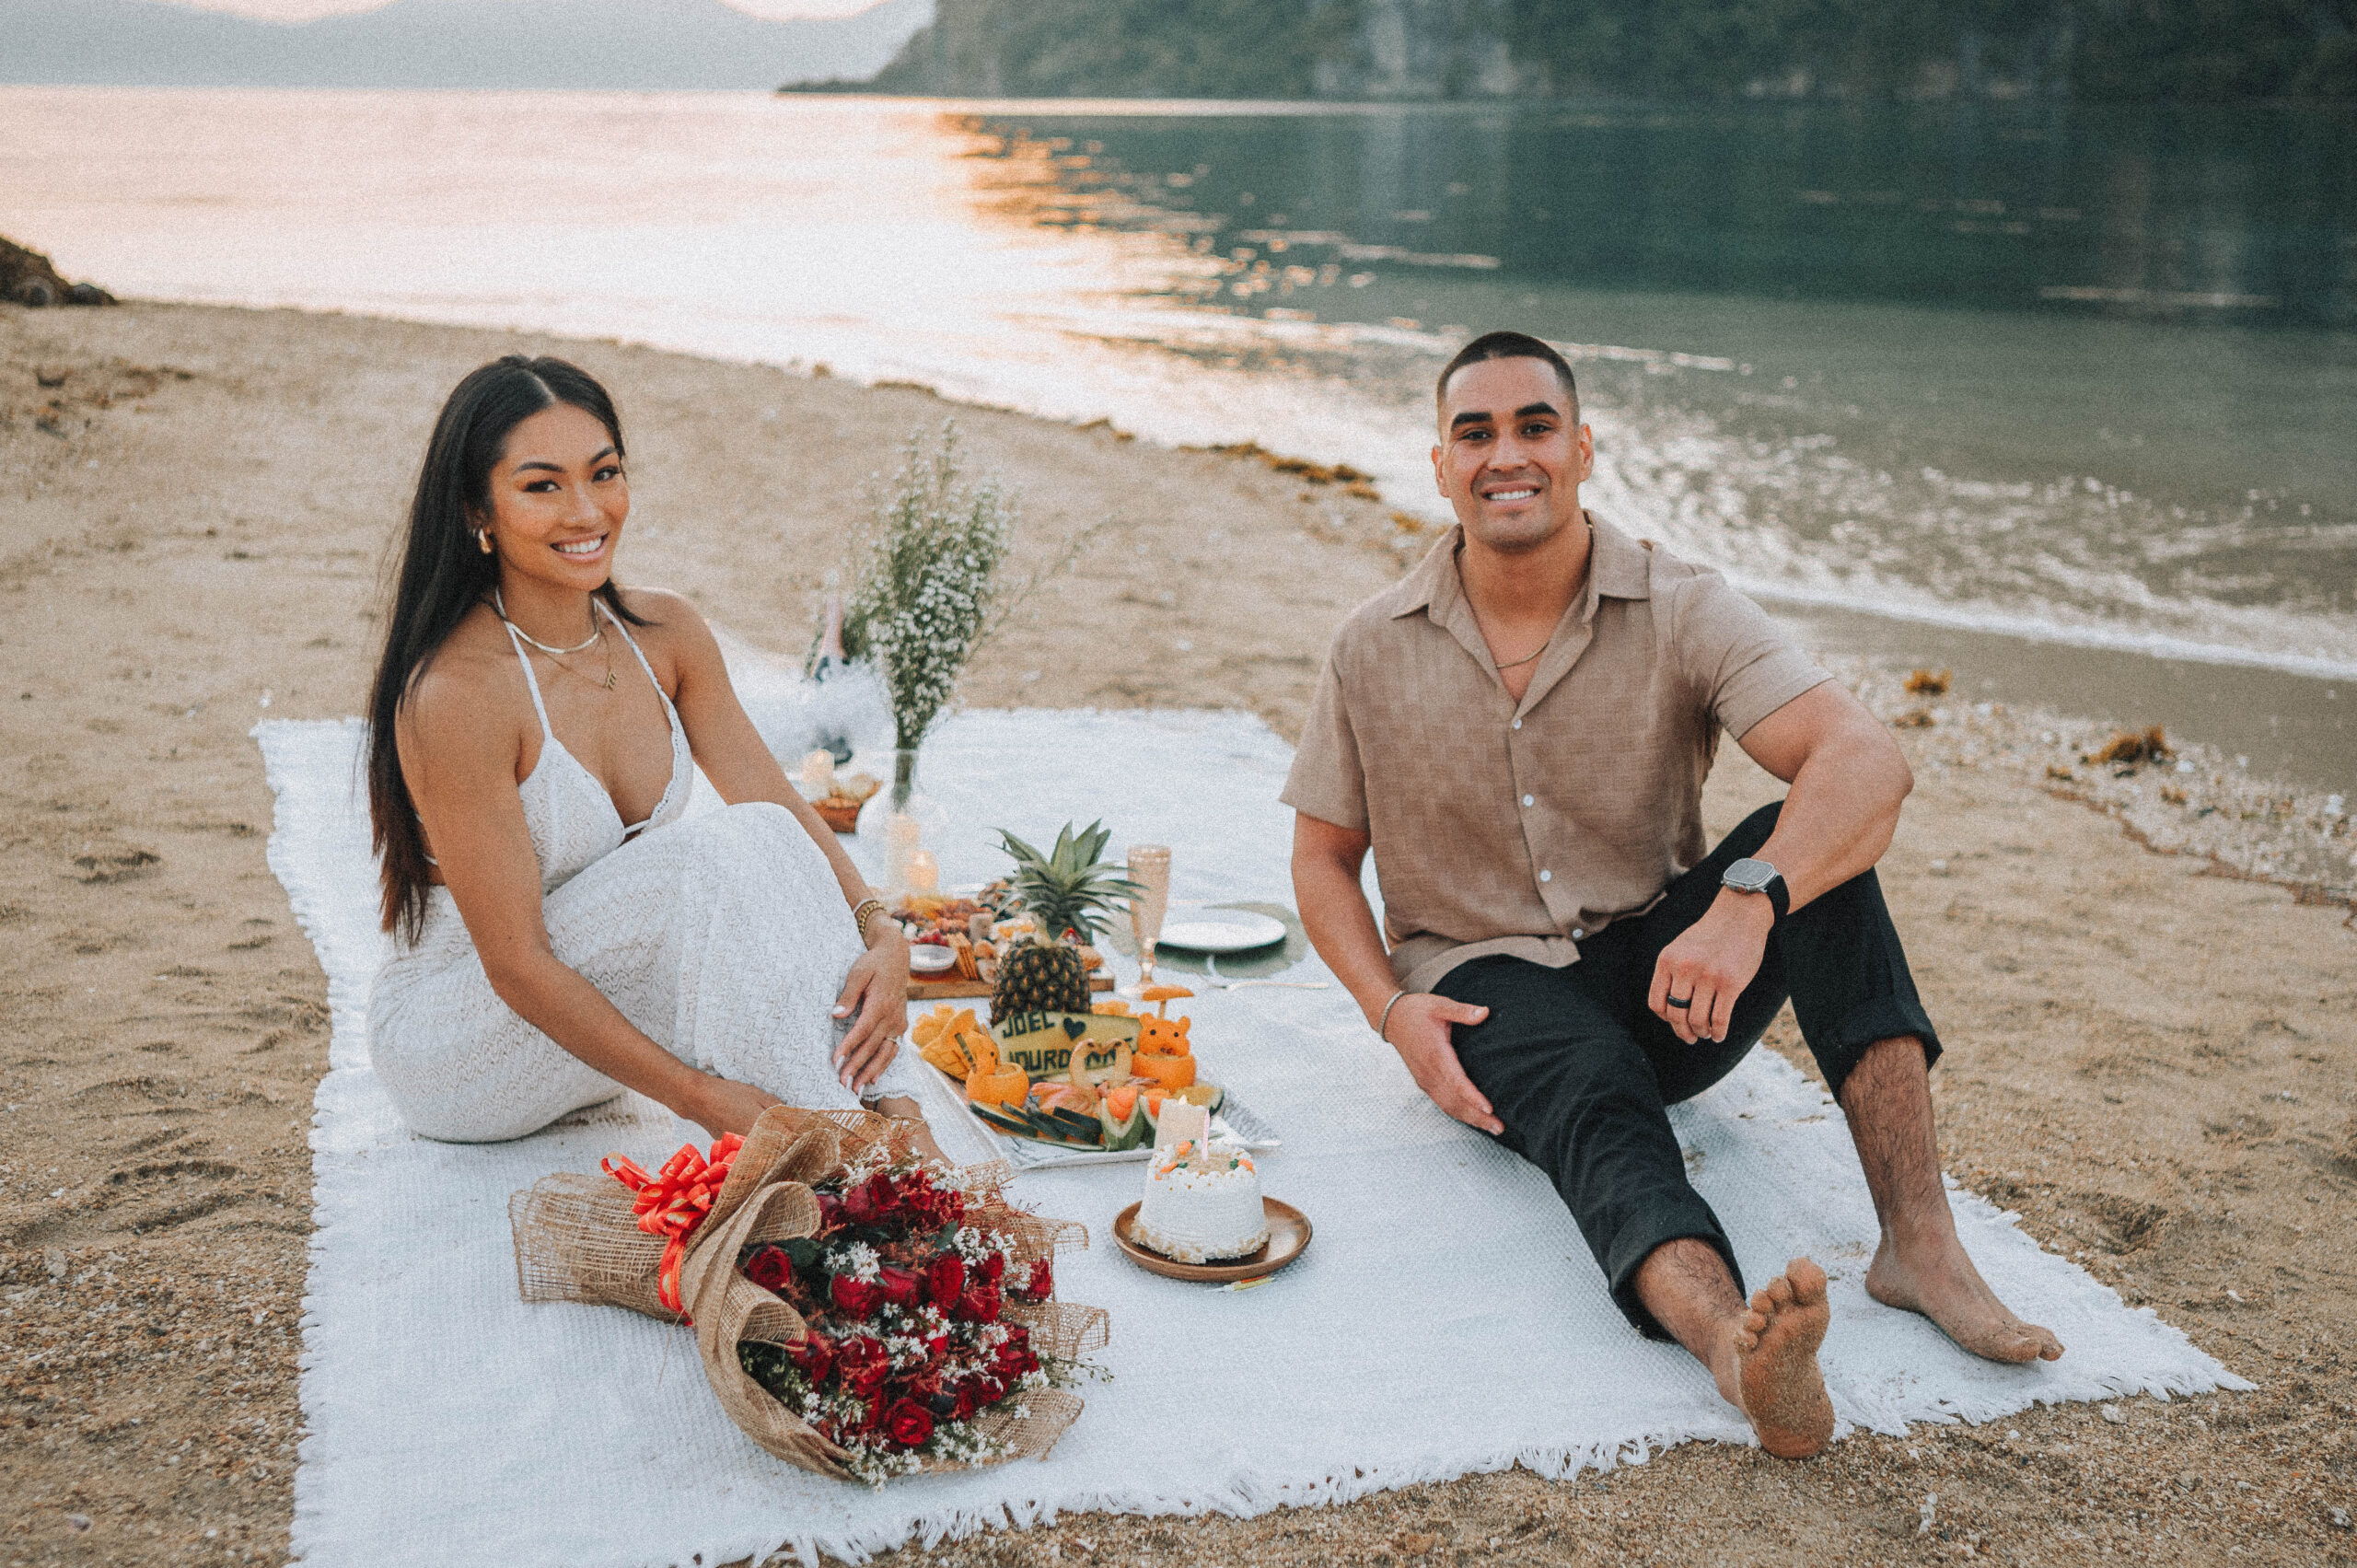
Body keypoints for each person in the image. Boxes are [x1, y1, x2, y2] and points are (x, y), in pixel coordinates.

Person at [1285, 331, 2061, 1459]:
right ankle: (1734, 1348)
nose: (1508, 453)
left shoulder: (1682, 603)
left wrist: (1749, 901)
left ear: (1583, 447)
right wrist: (1390, 1009)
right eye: (1476, 432)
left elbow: (1865, 759)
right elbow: (1322, 861)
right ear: (1440, 466)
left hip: (1672, 979)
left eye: (1535, 426)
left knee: (1814, 856)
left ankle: (1919, 1243)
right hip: (1484, 986)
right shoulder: (1369, 645)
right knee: (1592, 1085)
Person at [365, 354, 935, 1151]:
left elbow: (773, 805)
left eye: (604, 474)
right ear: (476, 510)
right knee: (706, 864)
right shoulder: (461, 693)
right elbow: (518, 967)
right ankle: (863, 1166)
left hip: (606, 1015)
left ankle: (896, 1127)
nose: (586, 510)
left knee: (764, 851)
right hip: (461, 1045)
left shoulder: (663, 635)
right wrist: (700, 1097)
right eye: (542, 485)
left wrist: (881, 932)